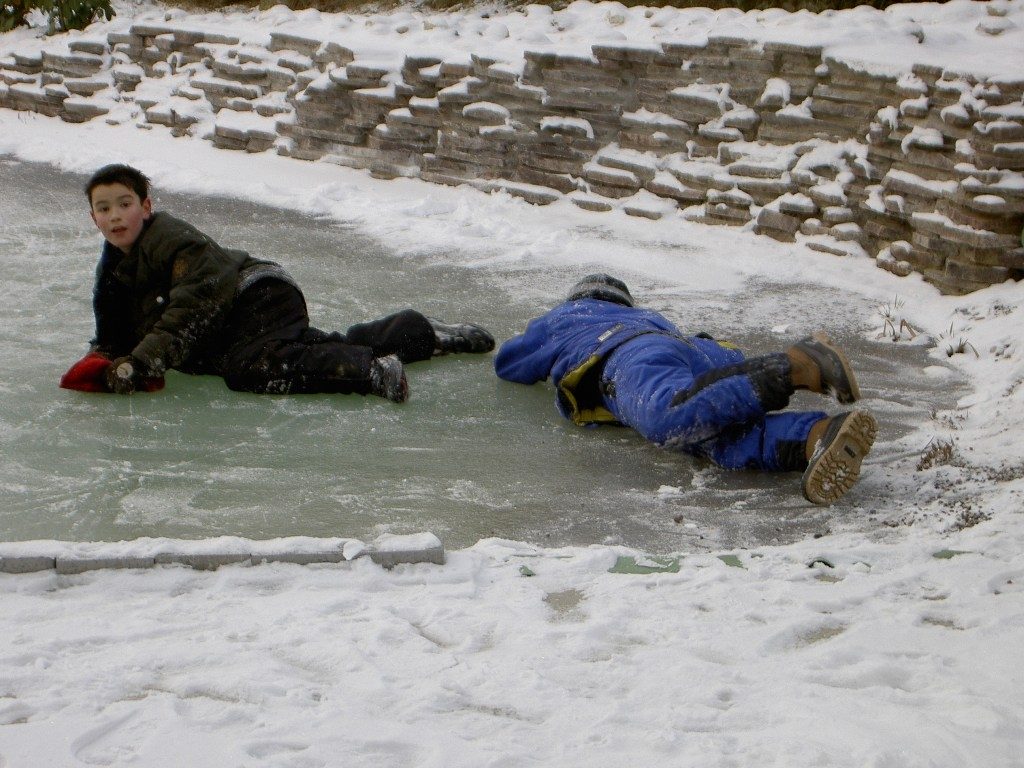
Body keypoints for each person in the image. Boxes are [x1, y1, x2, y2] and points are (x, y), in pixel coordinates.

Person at [69, 163, 494, 402]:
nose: (115, 216)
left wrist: (142, 363)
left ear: (146, 206)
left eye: (124, 204)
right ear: (93, 218)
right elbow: (111, 329)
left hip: (257, 295)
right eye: (103, 208)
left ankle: (371, 372)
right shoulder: (112, 270)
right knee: (306, 348)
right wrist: (105, 360)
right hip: (236, 322)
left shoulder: (173, 240)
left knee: (251, 368)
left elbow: (189, 313)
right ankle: (419, 333)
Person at [494, 274, 877, 505]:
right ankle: (817, 437)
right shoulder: (651, 318)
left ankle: (797, 365)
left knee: (665, 413)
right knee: (711, 437)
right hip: (693, 352)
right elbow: (717, 358)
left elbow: (510, 362)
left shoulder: (571, 315)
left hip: (626, 358)